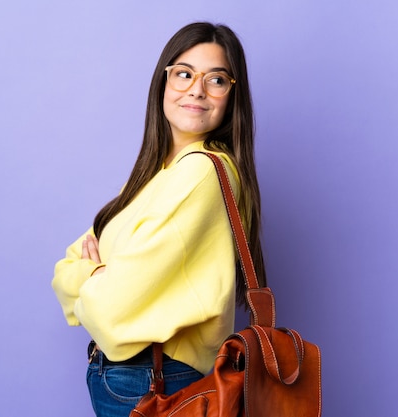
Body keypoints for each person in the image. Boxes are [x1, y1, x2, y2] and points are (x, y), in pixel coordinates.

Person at [51, 21, 266, 417]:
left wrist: (93, 273)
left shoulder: (200, 172)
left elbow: (111, 308)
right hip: (132, 379)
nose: (196, 89)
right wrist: (97, 275)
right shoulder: (155, 175)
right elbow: (64, 267)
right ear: (163, 82)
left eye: (216, 79)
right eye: (184, 73)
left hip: (154, 382)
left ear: (231, 95)